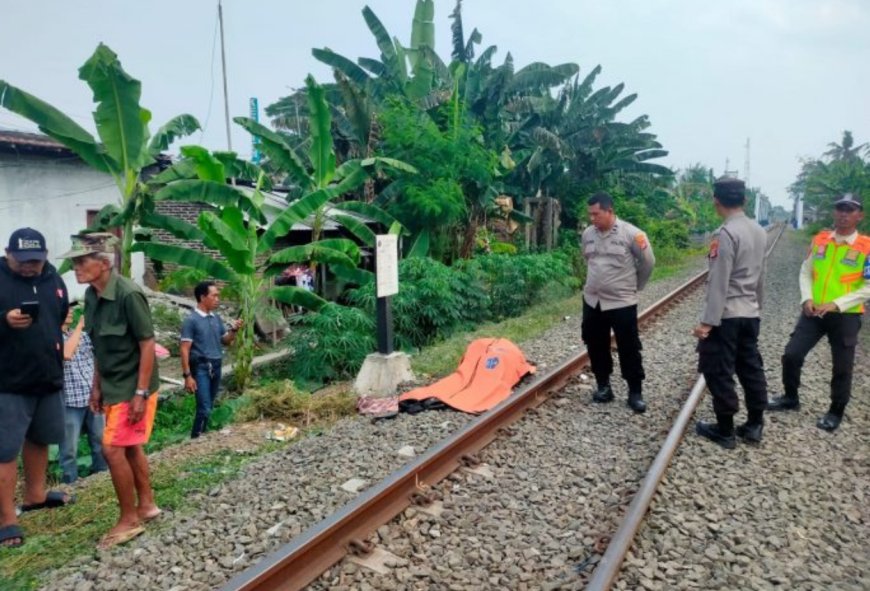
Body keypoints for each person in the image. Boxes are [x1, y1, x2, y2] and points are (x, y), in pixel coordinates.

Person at [59, 233, 161, 550]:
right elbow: (101, 346)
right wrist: (96, 386)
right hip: (112, 385)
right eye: (74, 261)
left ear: (103, 263)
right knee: (129, 448)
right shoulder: (91, 296)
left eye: (81, 261)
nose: (75, 267)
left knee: (111, 449)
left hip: (134, 386)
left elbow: (147, 344)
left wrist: (141, 393)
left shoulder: (129, 295)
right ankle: (146, 507)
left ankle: (129, 519)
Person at [767, 193, 869, 431]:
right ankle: (790, 397)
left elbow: (868, 286)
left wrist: (837, 304)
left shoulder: (866, 247)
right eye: (840, 209)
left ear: (859, 215)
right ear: (835, 212)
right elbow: (806, 271)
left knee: (842, 366)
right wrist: (807, 298)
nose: (844, 214)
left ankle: (836, 411)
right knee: (792, 354)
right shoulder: (821, 240)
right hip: (814, 312)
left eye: (850, 209)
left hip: (846, 315)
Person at [0, 228, 73, 549]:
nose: (30, 266)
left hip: (47, 378)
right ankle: (6, 519)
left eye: (36, 260)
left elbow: (59, 318)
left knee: (41, 439)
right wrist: (3, 320)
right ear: (7, 253)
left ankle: (35, 496)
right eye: (23, 261)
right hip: (8, 383)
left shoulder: (53, 279)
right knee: (4, 452)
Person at [692, 177, 769, 449]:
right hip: (750, 312)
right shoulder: (759, 231)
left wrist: (707, 323)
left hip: (727, 316)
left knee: (717, 369)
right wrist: (756, 308)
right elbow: (760, 275)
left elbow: (719, 281)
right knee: (750, 367)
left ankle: (724, 430)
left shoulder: (724, 234)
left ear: (716, 201)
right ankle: (755, 424)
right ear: (745, 200)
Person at [581, 192, 655, 413]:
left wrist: (635, 287)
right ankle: (604, 386)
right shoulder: (588, 234)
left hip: (621, 302)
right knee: (595, 344)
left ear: (609, 211)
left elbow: (648, 262)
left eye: (596, 214)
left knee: (629, 347)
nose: (592, 218)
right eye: (590, 214)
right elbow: (588, 260)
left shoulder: (632, 234)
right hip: (593, 300)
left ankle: (635, 392)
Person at [180, 281, 242, 438]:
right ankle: (196, 438)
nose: (217, 299)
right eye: (214, 295)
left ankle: (203, 436)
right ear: (202, 297)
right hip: (200, 367)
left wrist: (234, 330)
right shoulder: (191, 320)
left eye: (218, 296)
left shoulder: (216, 318)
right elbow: (184, 349)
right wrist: (187, 376)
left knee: (209, 405)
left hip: (216, 365)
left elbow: (226, 340)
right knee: (204, 407)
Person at [59, 304, 108, 484]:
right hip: (69, 401)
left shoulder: (85, 336)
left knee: (100, 442)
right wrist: (79, 327)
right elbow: (66, 353)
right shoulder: (52, 338)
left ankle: (101, 478)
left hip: (91, 397)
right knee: (69, 450)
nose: (70, 310)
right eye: (66, 308)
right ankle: (69, 484)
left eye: (72, 308)